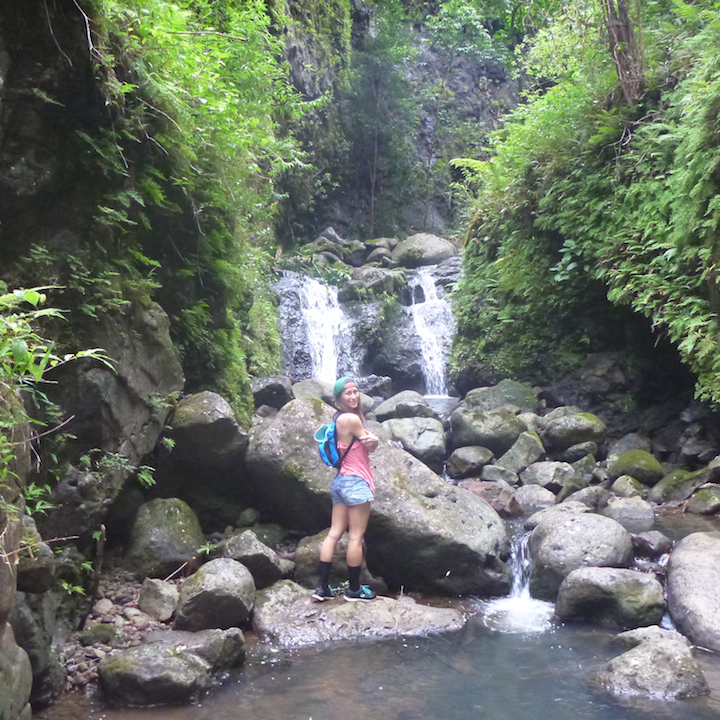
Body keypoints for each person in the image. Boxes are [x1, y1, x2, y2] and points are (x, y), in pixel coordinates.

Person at [313, 376, 379, 602]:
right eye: (348, 394)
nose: (353, 396)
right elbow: (369, 444)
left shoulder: (337, 420)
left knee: (334, 533)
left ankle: (322, 588)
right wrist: (375, 440)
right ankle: (354, 590)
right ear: (339, 399)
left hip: (340, 482)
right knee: (356, 537)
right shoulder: (352, 419)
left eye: (355, 392)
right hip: (355, 482)